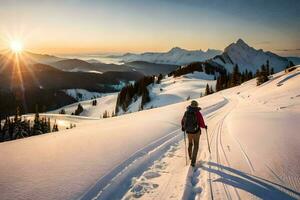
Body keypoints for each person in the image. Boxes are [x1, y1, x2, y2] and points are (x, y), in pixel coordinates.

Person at [181, 100, 207, 167]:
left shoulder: (186, 112)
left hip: (188, 132)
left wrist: (183, 127)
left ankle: (190, 157)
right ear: (196, 105)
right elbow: (201, 123)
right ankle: (193, 162)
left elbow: (183, 121)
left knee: (190, 144)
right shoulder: (197, 113)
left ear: (191, 105)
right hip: (196, 132)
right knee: (196, 145)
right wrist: (204, 126)